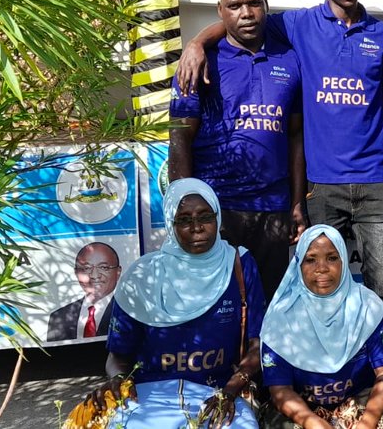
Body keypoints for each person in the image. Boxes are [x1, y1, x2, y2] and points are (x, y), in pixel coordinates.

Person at [176, 0, 383, 315]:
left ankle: (377, 365)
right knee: (299, 290)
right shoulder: (298, 25)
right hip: (271, 197)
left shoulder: (377, 36)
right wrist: (196, 42)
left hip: (343, 190)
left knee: (376, 288)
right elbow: (242, 18)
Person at [169, 0, 306, 301]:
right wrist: (185, 203)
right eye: (234, 6)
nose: (246, 13)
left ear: (265, 5)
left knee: (269, 302)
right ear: (220, 11)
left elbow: (295, 137)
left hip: (273, 209)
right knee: (220, 304)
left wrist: (297, 202)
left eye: (253, 3)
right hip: (219, 208)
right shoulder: (200, 63)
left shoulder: (289, 59)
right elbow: (180, 135)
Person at [98, 178, 267, 427]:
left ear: (218, 218)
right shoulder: (142, 276)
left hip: (221, 391)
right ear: (170, 223)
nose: (197, 228)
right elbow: (118, 357)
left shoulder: (239, 264)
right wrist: (118, 380)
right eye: (184, 220)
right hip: (150, 396)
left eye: (205, 217)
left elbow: (257, 346)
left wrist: (230, 391)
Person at [259, 225, 383, 429]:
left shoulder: (368, 307)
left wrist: (368, 421)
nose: (322, 268)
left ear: (344, 262)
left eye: (332, 258)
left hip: (360, 403)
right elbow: (280, 389)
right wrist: (312, 422)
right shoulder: (281, 316)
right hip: (304, 407)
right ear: (298, 265)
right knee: (275, 424)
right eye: (311, 259)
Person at [48, 242, 121, 342]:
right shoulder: (59, 316)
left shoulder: (128, 313)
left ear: (118, 272)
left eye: (104, 267)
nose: (95, 275)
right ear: (76, 272)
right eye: (86, 268)